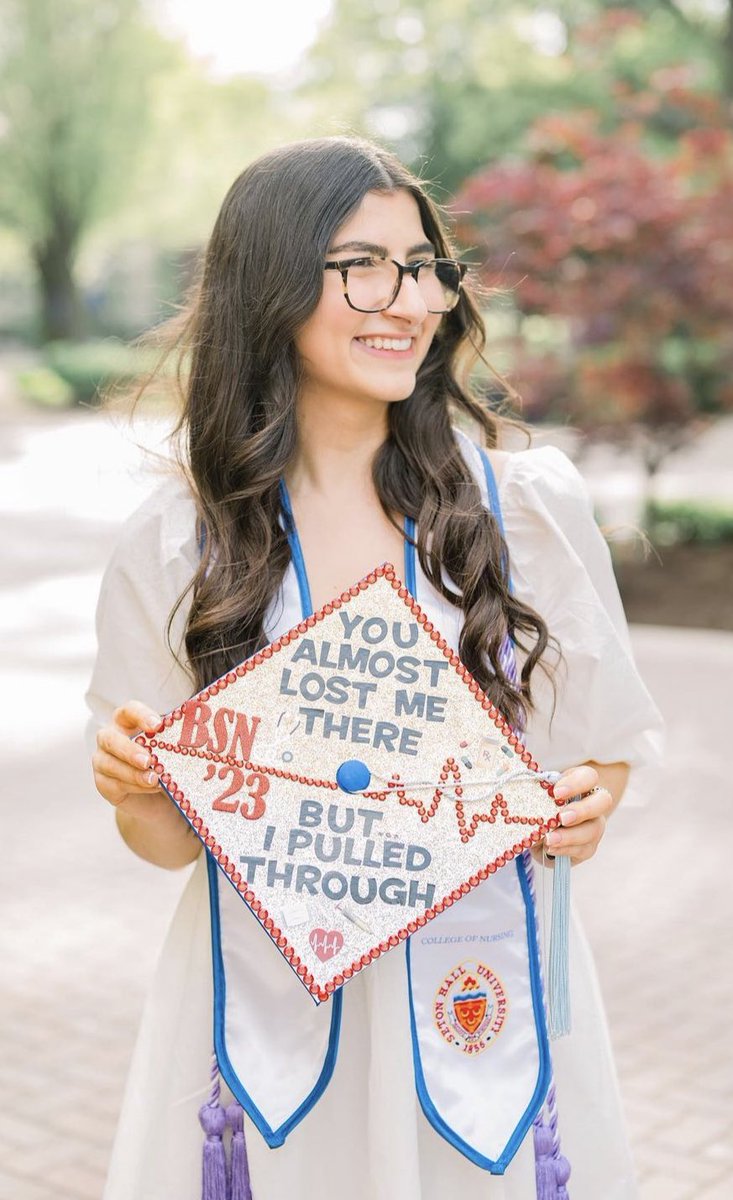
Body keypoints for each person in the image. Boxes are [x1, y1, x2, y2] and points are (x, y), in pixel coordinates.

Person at [87, 135, 663, 1200]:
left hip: (480, 1007)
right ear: (270, 284)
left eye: (426, 267)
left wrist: (587, 805)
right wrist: (135, 786)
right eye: (363, 266)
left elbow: (599, 755)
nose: (409, 299)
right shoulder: (179, 544)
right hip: (268, 1012)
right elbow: (164, 844)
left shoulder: (522, 510)